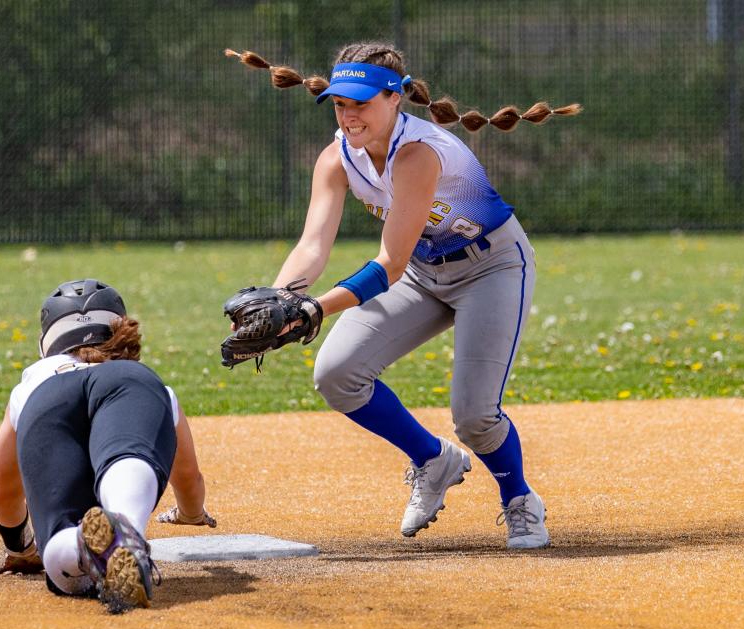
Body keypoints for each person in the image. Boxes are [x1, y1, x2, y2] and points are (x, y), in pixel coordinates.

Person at [225, 43, 580, 549]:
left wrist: (313, 309)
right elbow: (312, 245)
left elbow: (388, 263)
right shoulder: (336, 158)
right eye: (340, 103)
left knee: (475, 416)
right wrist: (283, 300)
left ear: (396, 97)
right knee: (336, 373)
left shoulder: (417, 153)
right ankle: (433, 459)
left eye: (361, 102)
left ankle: (519, 499)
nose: (348, 114)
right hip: (423, 273)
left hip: (492, 267)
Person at [0, 279, 216, 613]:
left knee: (60, 562)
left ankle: (83, 542)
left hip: (48, 397)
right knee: (127, 456)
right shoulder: (143, 379)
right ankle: (125, 526)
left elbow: (4, 498)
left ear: (47, 341)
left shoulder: (33, 379)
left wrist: (21, 551)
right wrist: (191, 514)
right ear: (117, 326)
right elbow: (189, 479)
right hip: (127, 384)